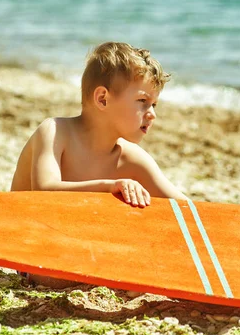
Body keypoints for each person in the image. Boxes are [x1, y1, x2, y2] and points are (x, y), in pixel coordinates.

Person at [10, 41, 187, 287]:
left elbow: (186, 209)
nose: (152, 113)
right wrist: (109, 186)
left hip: (82, 251)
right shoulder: (55, 132)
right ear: (103, 99)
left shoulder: (132, 158)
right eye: (142, 101)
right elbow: (43, 190)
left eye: (154, 104)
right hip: (34, 252)